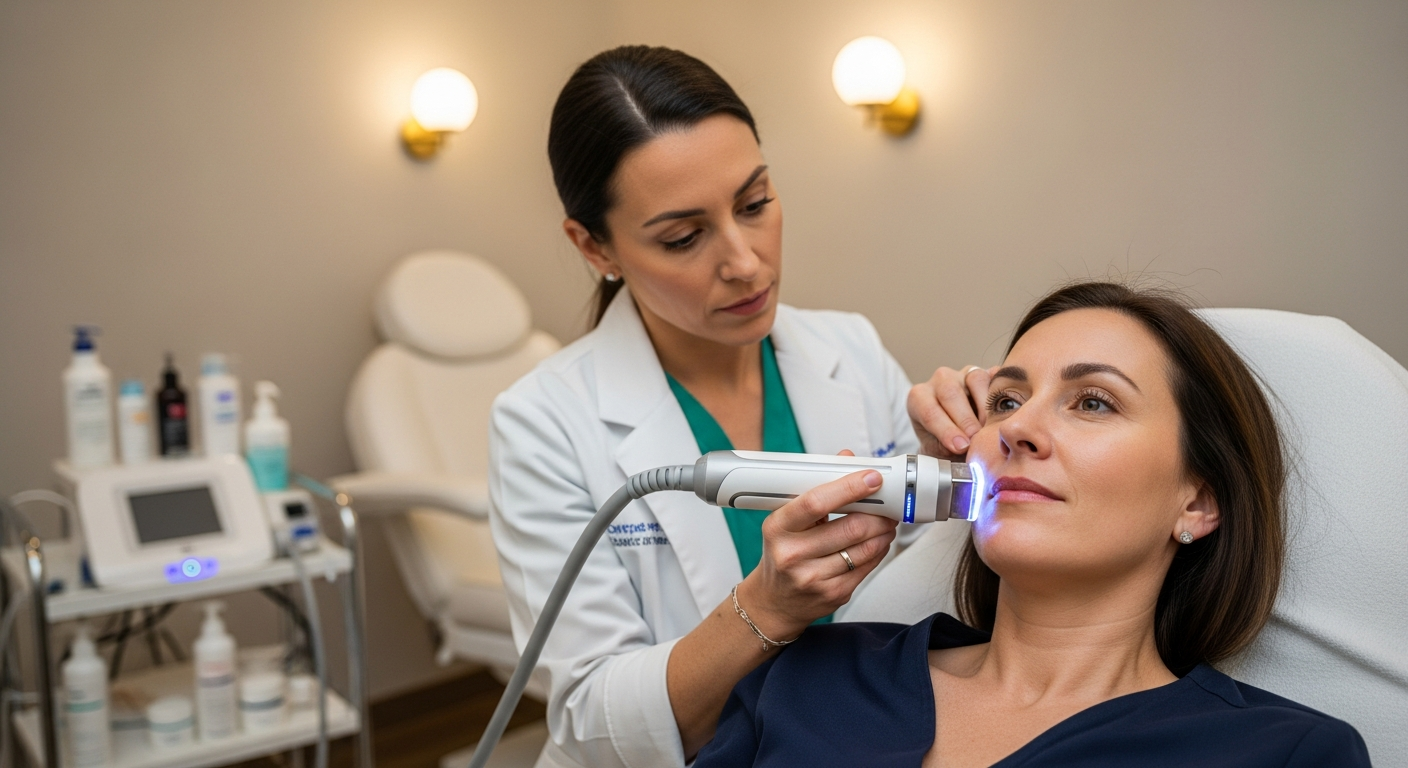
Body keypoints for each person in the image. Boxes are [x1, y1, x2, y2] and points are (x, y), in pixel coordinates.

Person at [488, 46, 990, 768]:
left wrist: (952, 471)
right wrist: (766, 609)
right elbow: (590, 720)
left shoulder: (848, 349)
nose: (746, 262)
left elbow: (919, 582)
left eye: (754, 204)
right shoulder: (542, 423)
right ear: (595, 248)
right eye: (683, 237)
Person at [694, 281, 1372, 767]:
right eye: (1006, 400)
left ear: (1197, 503)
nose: (1016, 428)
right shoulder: (813, 677)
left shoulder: (1285, 752)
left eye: (1094, 402)